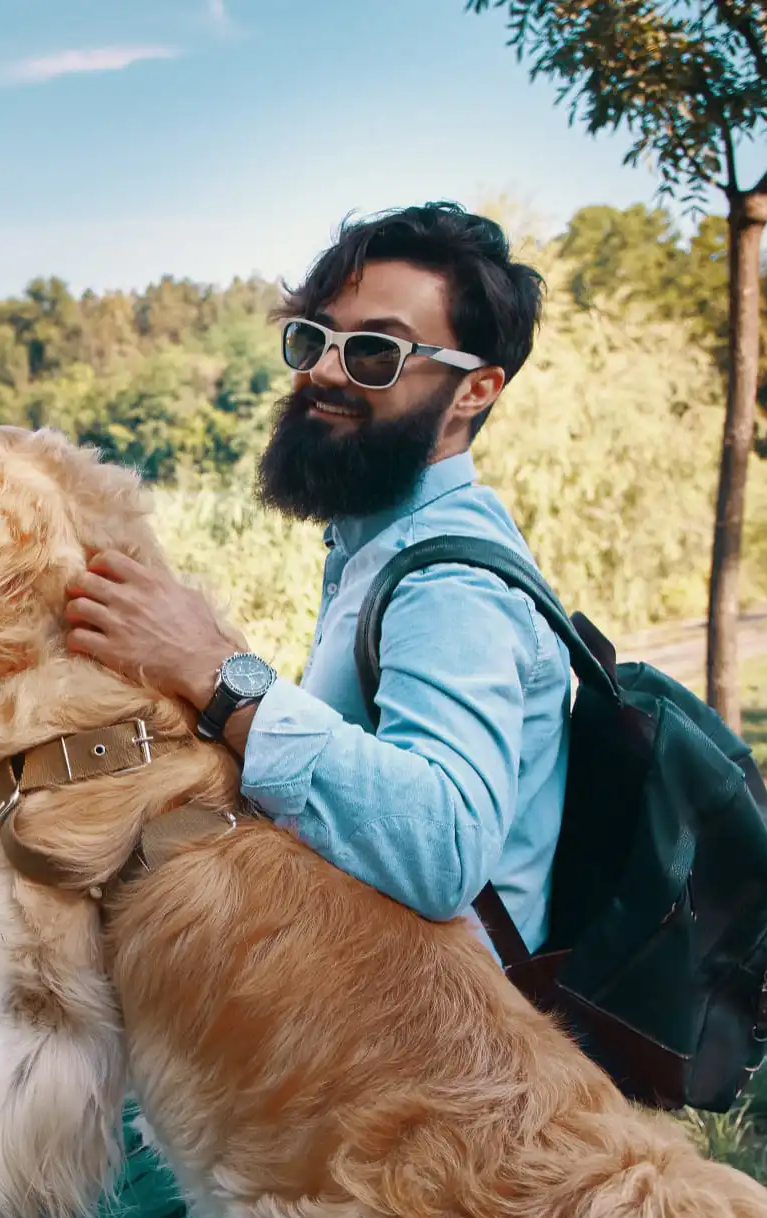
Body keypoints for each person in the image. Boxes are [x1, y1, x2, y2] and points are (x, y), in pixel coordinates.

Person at [64, 203, 569, 955]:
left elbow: (445, 851)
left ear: (475, 391)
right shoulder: (379, 543)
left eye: (374, 353)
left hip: (416, 1055)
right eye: (313, 339)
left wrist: (218, 675)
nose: (324, 370)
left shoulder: (449, 581)